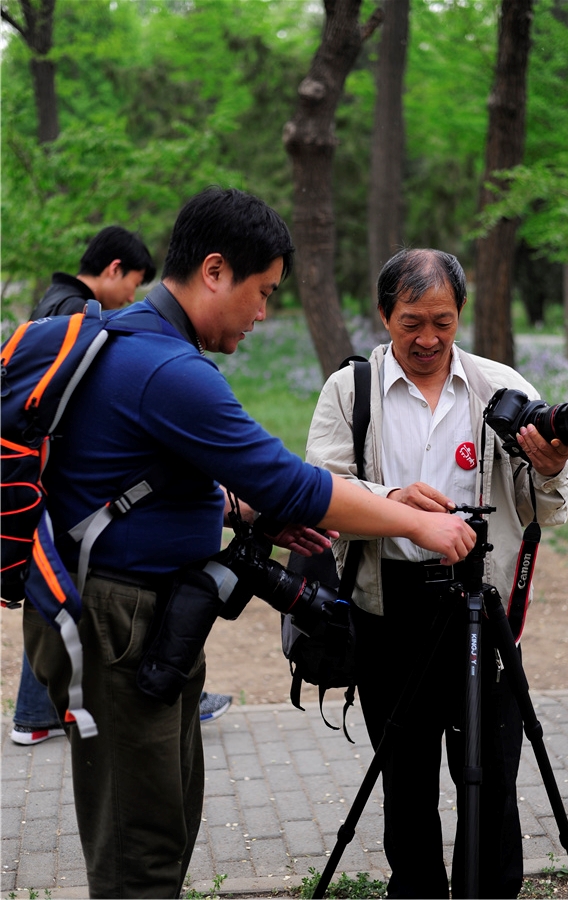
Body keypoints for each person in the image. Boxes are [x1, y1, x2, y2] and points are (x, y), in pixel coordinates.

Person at [22, 190, 475, 899]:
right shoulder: (170, 371)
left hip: (146, 617)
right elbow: (295, 483)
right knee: (139, 849)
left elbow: (142, 474)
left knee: (163, 822)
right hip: (120, 622)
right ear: (213, 271)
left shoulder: (140, 338)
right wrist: (417, 521)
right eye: (262, 293)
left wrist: (239, 513)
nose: (264, 314)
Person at [305, 248, 568, 899]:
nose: (428, 338)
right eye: (411, 322)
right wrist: (390, 507)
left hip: (482, 608)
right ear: (383, 315)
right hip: (385, 607)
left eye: (443, 322)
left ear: (461, 315)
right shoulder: (352, 389)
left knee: (491, 777)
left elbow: (545, 512)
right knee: (406, 777)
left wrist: (549, 464)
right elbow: (322, 494)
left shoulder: (501, 388)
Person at [12, 227, 229, 746]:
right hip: (82, 523)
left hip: (61, 514)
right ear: (112, 269)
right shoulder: (77, 314)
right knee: (62, 597)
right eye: (133, 282)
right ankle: (37, 713)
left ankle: (35, 713)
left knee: (56, 593)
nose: (133, 296)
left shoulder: (56, 303)